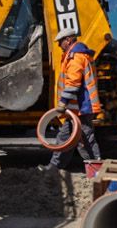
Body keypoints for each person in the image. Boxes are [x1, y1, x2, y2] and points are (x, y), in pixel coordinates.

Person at [42, 26, 102, 171]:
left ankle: (96, 170)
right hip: (77, 108)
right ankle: (54, 168)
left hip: (82, 107)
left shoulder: (75, 56)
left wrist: (63, 103)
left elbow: (73, 83)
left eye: (60, 42)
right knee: (65, 139)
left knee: (85, 139)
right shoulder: (76, 54)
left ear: (68, 40)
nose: (58, 45)